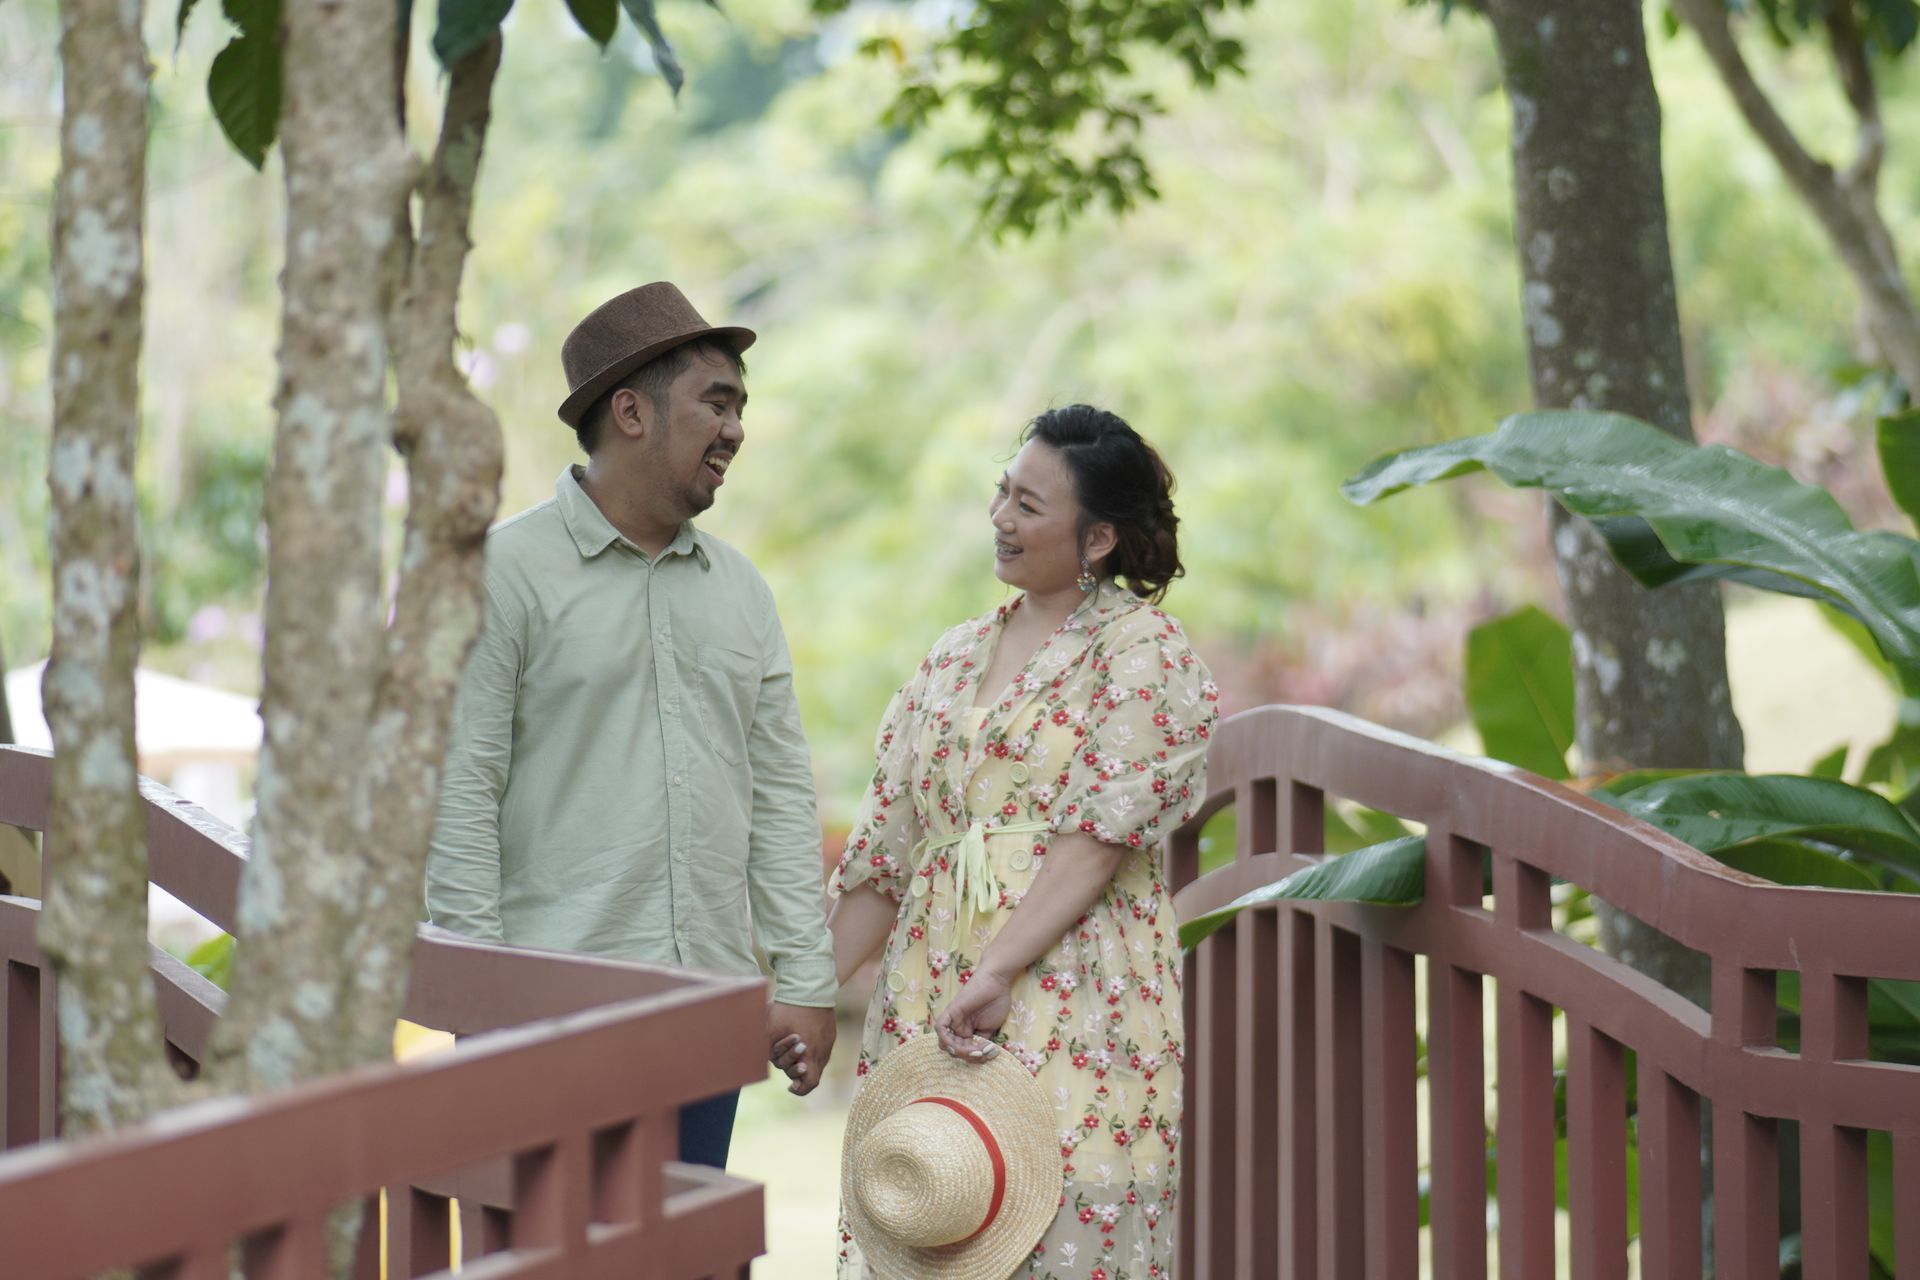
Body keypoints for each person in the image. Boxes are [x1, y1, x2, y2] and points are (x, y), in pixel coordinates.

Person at [427, 282, 837, 1170]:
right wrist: (476, 999)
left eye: (740, 408)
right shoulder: (498, 574)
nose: (736, 430)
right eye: (715, 403)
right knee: (540, 1246)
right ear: (630, 412)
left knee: (686, 1240)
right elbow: (457, 796)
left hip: (705, 1019)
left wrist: (807, 978)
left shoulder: (742, 591)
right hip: (543, 1015)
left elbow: (778, 797)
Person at [820, 404, 1218, 1278]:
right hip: (931, 989)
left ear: (1099, 537)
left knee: (1061, 1233)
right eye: (1003, 492)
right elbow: (886, 858)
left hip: (1074, 992)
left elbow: (1097, 840)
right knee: (931, 1221)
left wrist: (997, 970)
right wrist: (806, 996)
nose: (1000, 517)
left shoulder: (1141, 649)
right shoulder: (952, 655)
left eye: (1029, 505)